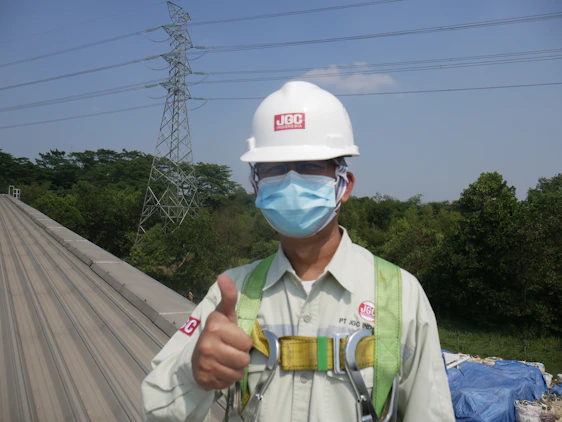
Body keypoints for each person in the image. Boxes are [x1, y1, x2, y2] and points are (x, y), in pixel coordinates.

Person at [141, 81, 455, 422]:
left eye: (309, 165)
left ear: (344, 184)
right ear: (255, 185)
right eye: (275, 168)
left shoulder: (401, 295)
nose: (291, 182)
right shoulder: (232, 294)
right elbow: (154, 410)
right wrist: (194, 372)